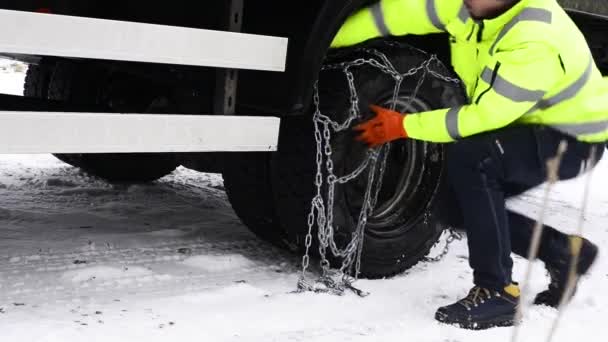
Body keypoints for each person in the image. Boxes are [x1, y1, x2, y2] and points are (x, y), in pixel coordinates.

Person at [330, 0, 608, 330]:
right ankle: (564, 252)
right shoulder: (466, 5)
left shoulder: (533, 38)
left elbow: (485, 117)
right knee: (452, 204)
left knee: (474, 159)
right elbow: (393, 14)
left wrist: (402, 126)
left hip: (574, 138)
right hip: (527, 122)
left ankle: (497, 292)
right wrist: (326, 42)